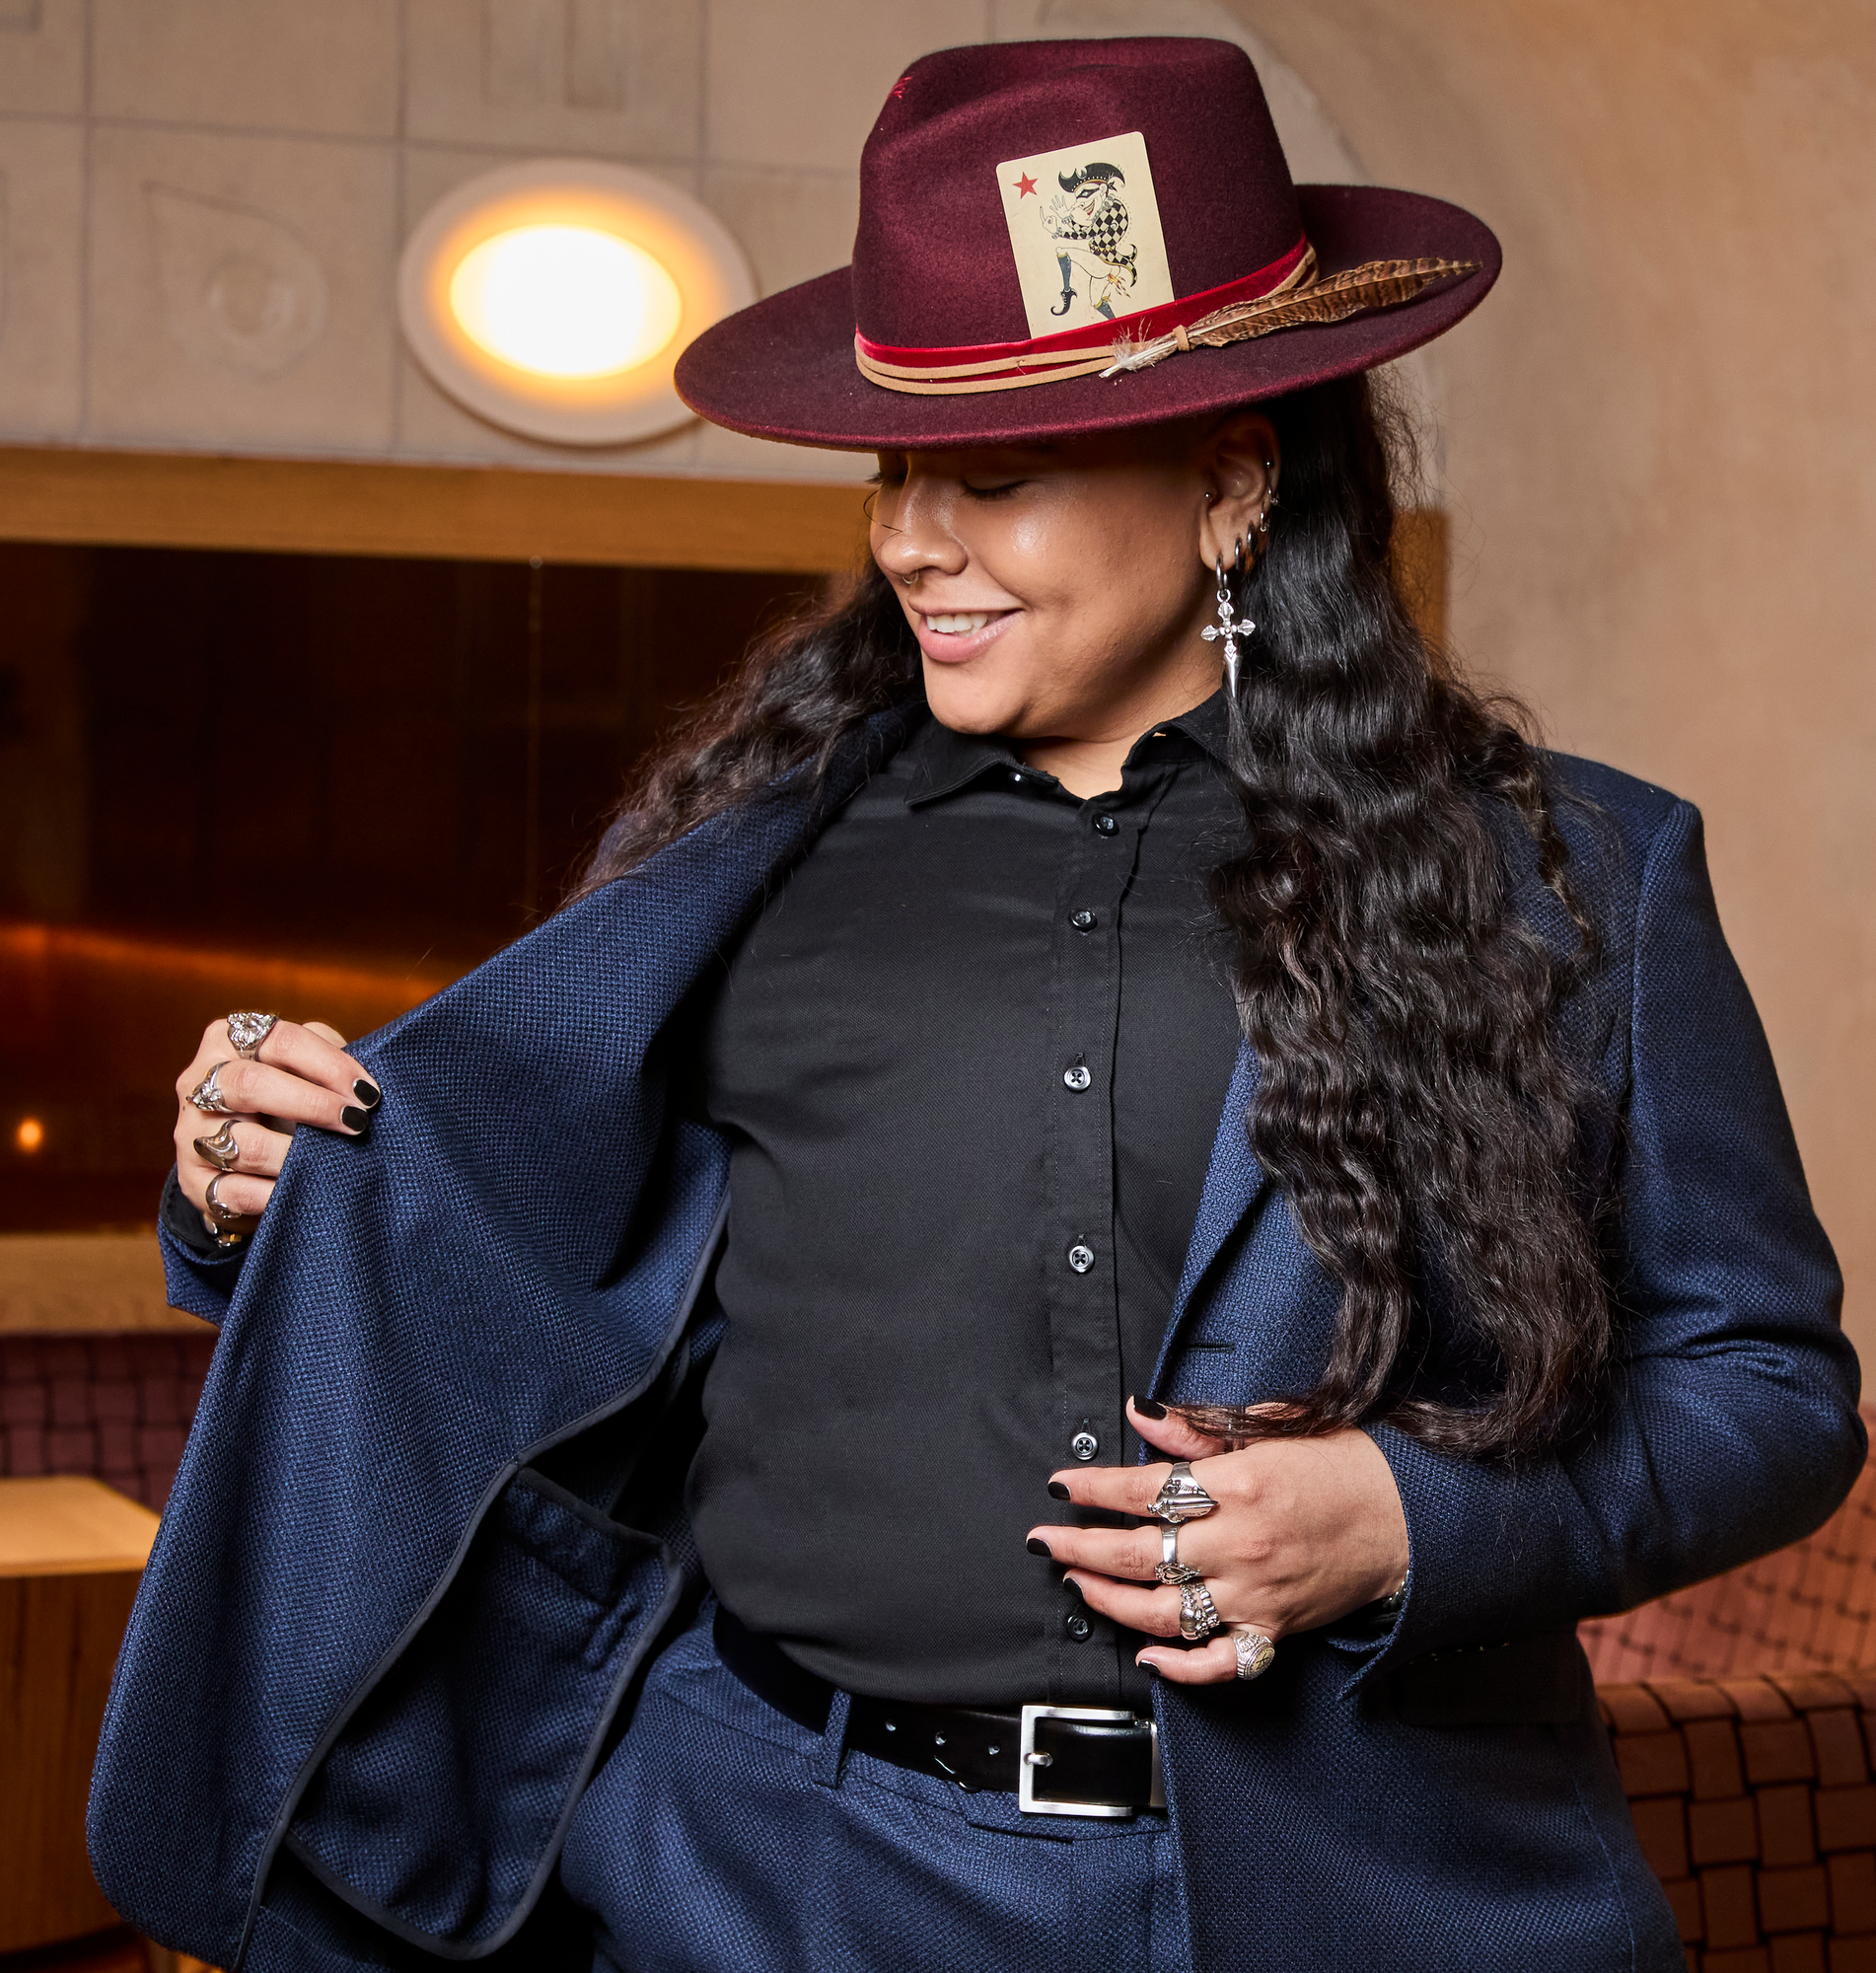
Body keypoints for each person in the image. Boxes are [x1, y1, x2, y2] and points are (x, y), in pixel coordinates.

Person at [90, 36, 1862, 1973]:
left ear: (1228, 484)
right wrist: (253, 1165)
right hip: (750, 1876)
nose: (914, 540)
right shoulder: (728, 862)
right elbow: (486, 1254)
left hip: (1361, 1891)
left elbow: (1767, 1394)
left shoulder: (1580, 878)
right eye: (895, 468)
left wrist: (1406, 1522)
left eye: (995, 477)